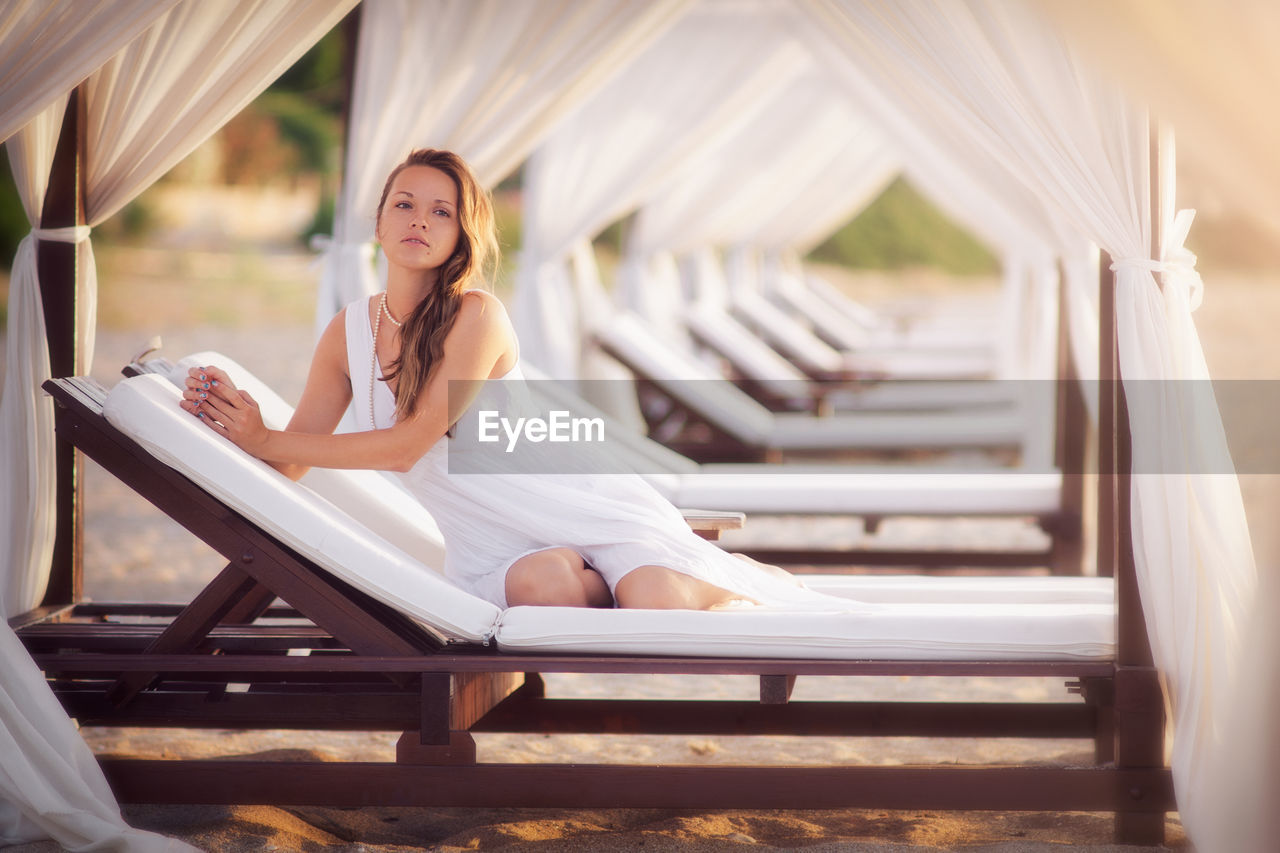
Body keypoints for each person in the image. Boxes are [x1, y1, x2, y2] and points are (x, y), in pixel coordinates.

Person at [180, 149, 834, 612]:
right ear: (378, 224)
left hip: (574, 499)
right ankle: (594, 576)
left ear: (460, 234)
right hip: (491, 545)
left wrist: (268, 439)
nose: (419, 219)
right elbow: (292, 462)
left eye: (440, 211)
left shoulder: (477, 316)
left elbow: (406, 445)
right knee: (542, 589)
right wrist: (237, 423)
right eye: (404, 204)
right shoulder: (346, 335)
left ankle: (717, 579)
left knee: (657, 601)